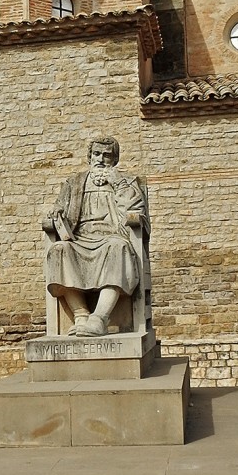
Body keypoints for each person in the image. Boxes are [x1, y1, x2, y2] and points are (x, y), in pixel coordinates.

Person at [45, 136, 149, 337]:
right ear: (90, 157)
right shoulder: (74, 183)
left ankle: (99, 318)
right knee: (59, 250)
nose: (101, 159)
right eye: (96, 154)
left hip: (113, 236)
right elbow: (60, 208)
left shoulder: (127, 182)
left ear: (115, 159)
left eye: (107, 155)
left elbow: (135, 210)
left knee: (118, 248)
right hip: (80, 238)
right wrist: (56, 213)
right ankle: (80, 314)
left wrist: (117, 183)